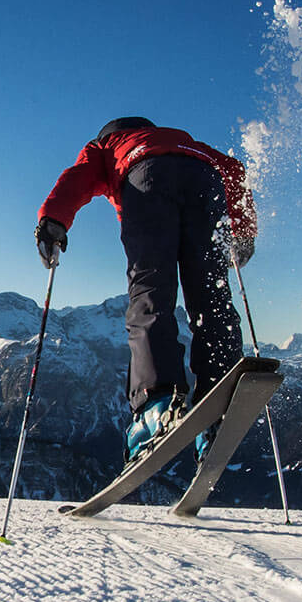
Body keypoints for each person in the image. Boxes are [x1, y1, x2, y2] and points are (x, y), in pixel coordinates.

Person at [35, 116, 256, 465]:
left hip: (146, 180)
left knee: (151, 289)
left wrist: (52, 221)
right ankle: (219, 390)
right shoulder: (187, 140)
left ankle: (157, 403)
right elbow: (234, 171)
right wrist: (243, 231)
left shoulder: (107, 146)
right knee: (210, 290)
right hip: (205, 181)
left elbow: (77, 177)